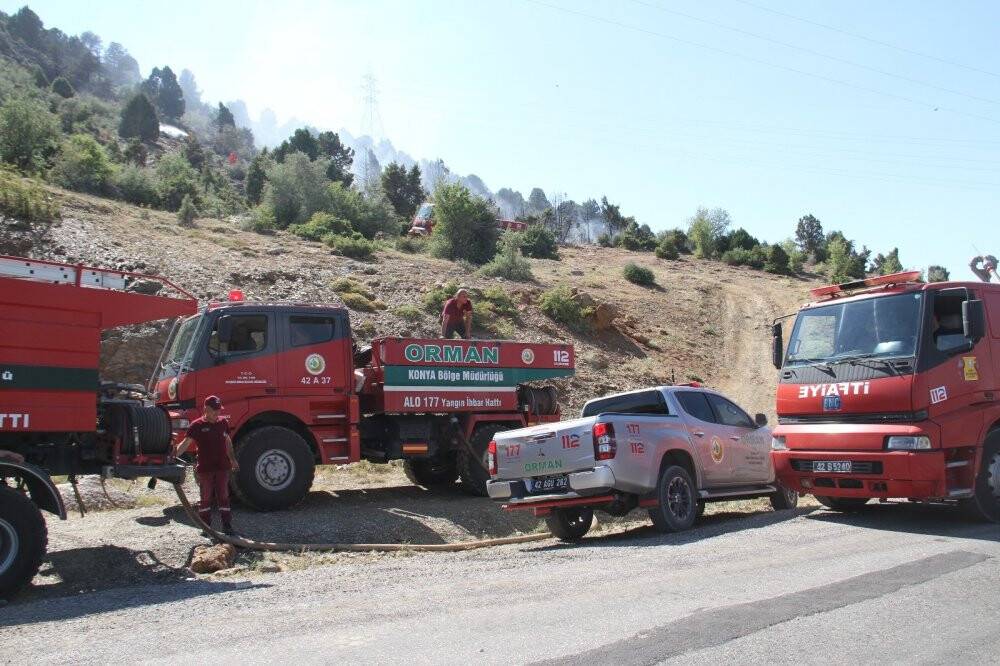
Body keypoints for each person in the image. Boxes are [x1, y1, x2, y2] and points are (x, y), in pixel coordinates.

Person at [174, 395, 239, 534]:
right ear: (206, 409)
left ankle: (227, 526)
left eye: (219, 410)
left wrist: (232, 459)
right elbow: (185, 444)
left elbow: (227, 441)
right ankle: (206, 528)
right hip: (205, 469)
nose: (217, 413)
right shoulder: (196, 426)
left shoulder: (223, 423)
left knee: (223, 497)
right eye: (214, 410)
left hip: (222, 467)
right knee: (206, 499)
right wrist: (172, 457)